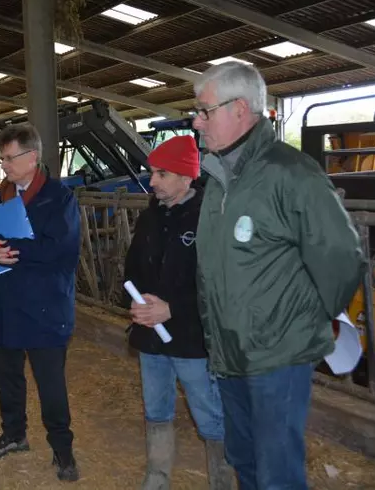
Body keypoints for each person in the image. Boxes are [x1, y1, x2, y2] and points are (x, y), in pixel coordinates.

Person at [192, 61, 364, 489]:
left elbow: (340, 254)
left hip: (278, 354)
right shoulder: (218, 178)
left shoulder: (290, 172)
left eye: (204, 110)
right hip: (230, 351)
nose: (196, 121)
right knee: (245, 462)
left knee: (277, 474)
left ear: (240, 109)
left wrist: (307, 320)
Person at [0, 123, 81, 482]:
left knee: (51, 385)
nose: (4, 165)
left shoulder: (59, 198)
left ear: (33, 157)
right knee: (8, 379)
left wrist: (5, 249)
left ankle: (63, 451)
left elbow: (61, 250)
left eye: (9, 158)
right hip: (4, 306)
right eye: (1, 159)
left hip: (45, 308)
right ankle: (14, 435)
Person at [124, 136, 234, 490]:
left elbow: (221, 283)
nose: (152, 180)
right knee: (156, 409)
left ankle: (223, 480)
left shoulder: (210, 218)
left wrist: (172, 308)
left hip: (192, 339)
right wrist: (137, 301)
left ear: (187, 177)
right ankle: (157, 476)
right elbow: (131, 270)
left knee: (210, 416)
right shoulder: (148, 218)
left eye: (161, 173)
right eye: (152, 172)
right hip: (150, 338)